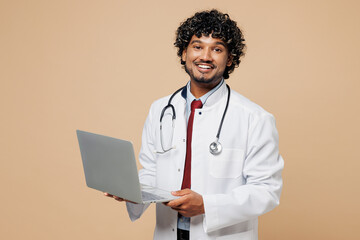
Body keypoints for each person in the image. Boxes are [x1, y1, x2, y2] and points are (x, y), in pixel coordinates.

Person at [105, 9, 284, 240]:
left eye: (217, 49)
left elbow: (266, 191)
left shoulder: (255, 118)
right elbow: (151, 171)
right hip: (168, 232)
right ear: (183, 53)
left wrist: (207, 205)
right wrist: (132, 192)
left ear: (229, 59)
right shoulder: (160, 109)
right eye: (197, 46)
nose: (206, 57)